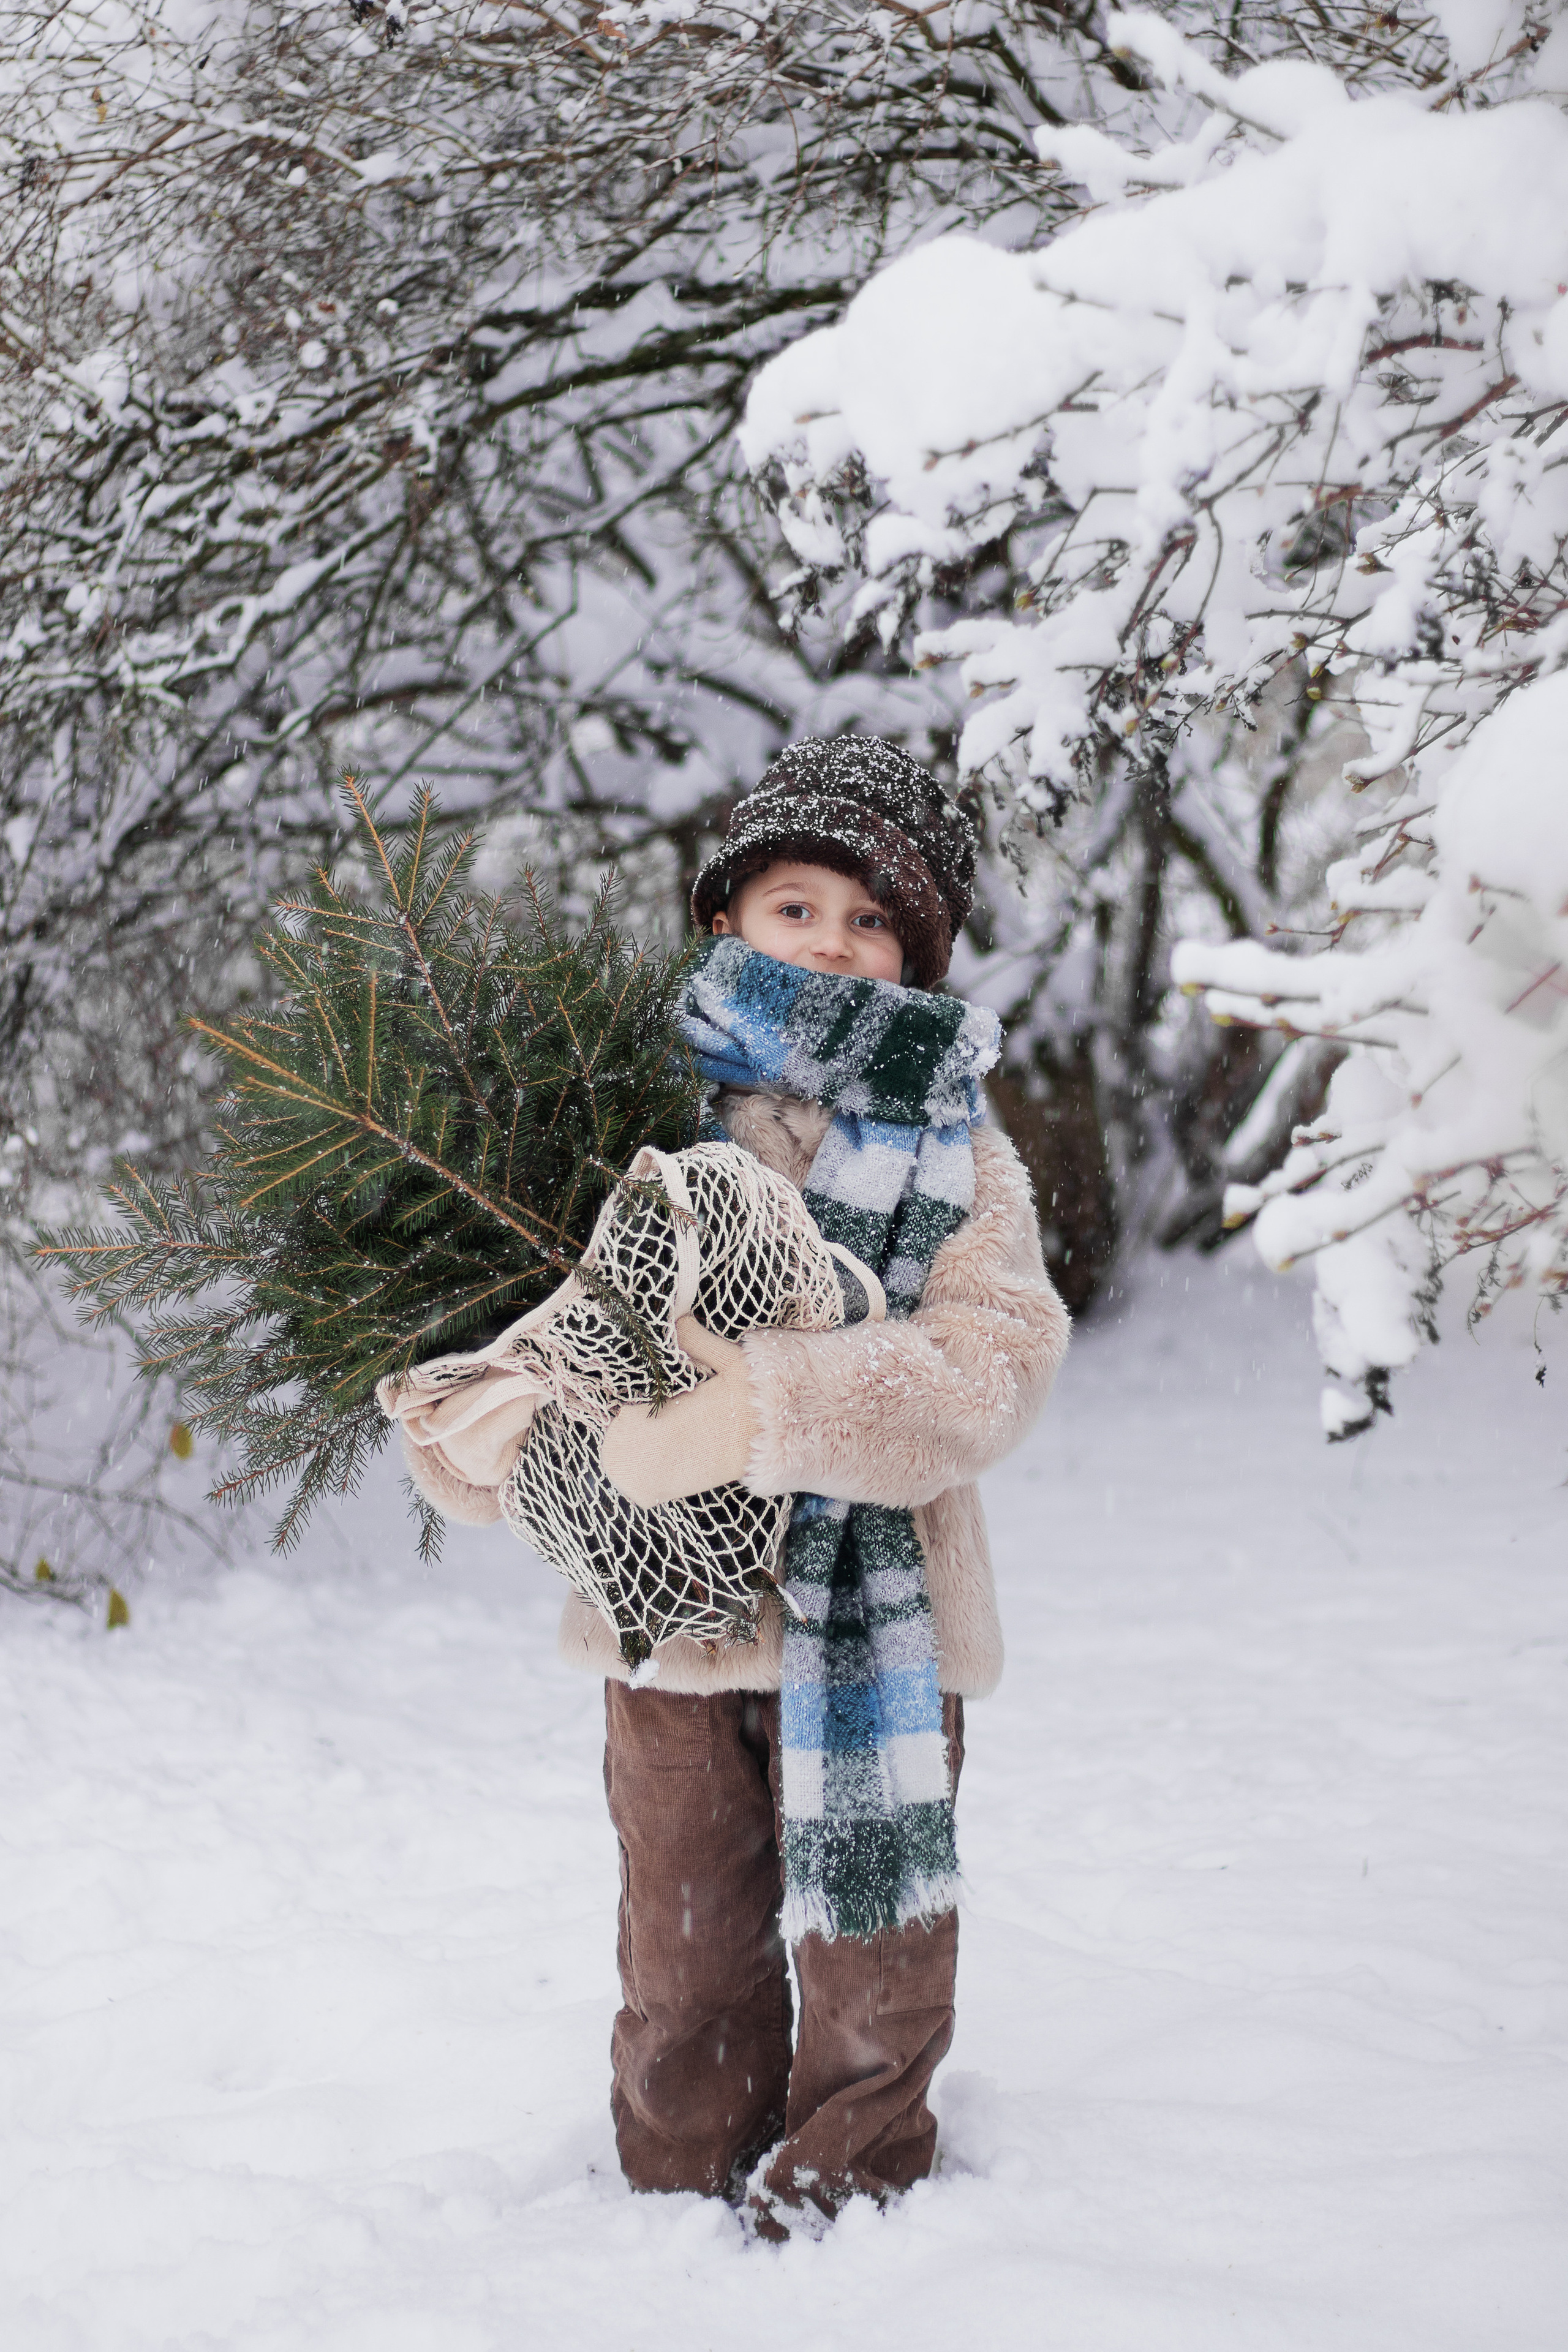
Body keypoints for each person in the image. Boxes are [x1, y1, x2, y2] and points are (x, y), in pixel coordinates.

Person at [401, 737, 1069, 2237]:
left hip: (876, 1624)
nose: (833, 940)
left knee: (876, 1952)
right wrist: (502, 1431)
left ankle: (855, 2195)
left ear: (918, 951)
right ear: (724, 921)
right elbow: (513, 1327)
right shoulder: (621, 1102)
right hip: (673, 1620)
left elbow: (990, 1364)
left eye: (871, 917)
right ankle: (670, 2198)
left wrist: (759, 1413)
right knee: (684, 1938)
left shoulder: (955, 1142)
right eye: (795, 905)